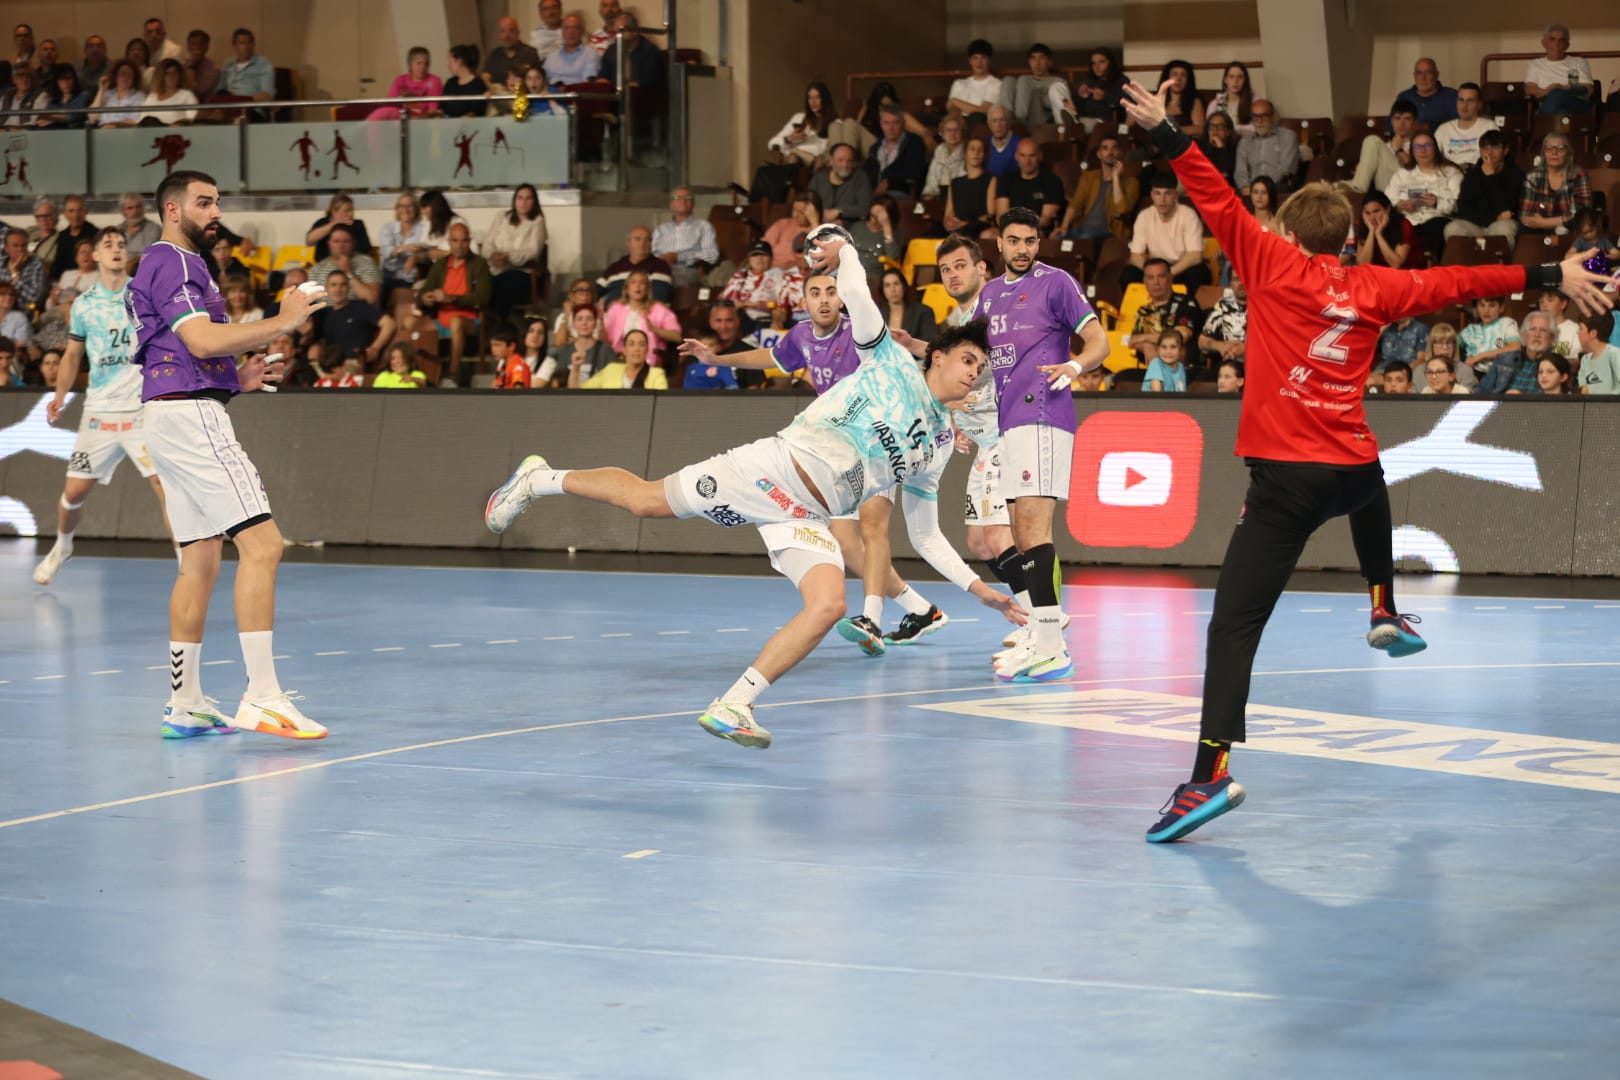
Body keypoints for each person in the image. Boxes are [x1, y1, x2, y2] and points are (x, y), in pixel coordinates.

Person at [1117, 78, 1613, 842]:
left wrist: (1164, 131)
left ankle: (1208, 775)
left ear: (1286, 229)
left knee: (1232, 629)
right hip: (1348, 468)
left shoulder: (1267, 264)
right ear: (1347, 239)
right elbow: (1461, 279)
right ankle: (1381, 603)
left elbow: (1212, 193)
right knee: (1370, 480)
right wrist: (1552, 275)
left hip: (1284, 481)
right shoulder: (1376, 286)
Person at [486, 227, 1022, 750]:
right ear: (939, 356)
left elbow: (925, 535)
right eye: (969, 361)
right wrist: (845, 251)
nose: (974, 375)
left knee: (829, 605)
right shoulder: (888, 362)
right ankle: (540, 478)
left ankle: (733, 704)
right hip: (770, 469)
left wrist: (981, 593)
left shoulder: (935, 447)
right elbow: (856, 291)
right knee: (646, 501)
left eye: (982, 369)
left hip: (807, 514)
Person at [127, 169, 330, 740]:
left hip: (169, 413)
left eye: (217, 202)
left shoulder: (172, 265)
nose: (215, 212)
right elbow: (199, 339)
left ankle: (184, 702)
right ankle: (264, 697)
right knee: (263, 544)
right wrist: (285, 320)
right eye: (204, 202)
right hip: (191, 419)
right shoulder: (177, 261)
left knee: (200, 561)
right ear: (172, 209)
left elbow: (181, 349)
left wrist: (232, 379)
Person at [680, 263, 950, 647]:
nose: (825, 299)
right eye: (816, 293)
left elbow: (913, 368)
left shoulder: (863, 332)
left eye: (831, 291)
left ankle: (871, 619)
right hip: (833, 452)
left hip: (879, 439)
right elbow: (771, 359)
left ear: (842, 297)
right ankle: (921, 609)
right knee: (847, 544)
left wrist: (943, 415)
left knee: (873, 530)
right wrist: (717, 360)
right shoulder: (802, 335)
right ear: (804, 301)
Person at [973, 207, 1109, 682]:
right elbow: (970, 355)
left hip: (1044, 417)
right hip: (1009, 425)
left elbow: (1099, 341)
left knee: (1035, 531)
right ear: (1000, 244)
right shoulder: (988, 296)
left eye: (1031, 240)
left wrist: (1075, 367)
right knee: (1019, 531)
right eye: (1014, 241)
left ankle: (1052, 645)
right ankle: (1040, 633)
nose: (1023, 249)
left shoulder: (1057, 283)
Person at [33, 229, 172, 586]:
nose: (115, 250)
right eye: (108, 245)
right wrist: (60, 396)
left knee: (165, 486)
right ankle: (63, 546)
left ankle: (188, 561)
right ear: (94, 255)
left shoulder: (143, 294)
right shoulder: (84, 305)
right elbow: (73, 355)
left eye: (121, 245)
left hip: (143, 408)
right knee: (74, 493)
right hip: (100, 412)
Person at [483, 183, 547, 318]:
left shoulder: (537, 222)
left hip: (523, 273)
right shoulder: (501, 217)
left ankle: (502, 327)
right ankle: (487, 327)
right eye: (520, 198)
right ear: (514, 200)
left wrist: (508, 255)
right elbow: (487, 244)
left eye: (528, 198)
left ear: (534, 202)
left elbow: (533, 251)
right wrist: (493, 255)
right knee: (484, 283)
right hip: (496, 269)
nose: (523, 202)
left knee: (503, 284)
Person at [1058, 135, 1136, 241]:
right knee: (1057, 238)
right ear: (1099, 154)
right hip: (1082, 229)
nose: (1110, 152)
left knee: (1084, 238)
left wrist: (1116, 178)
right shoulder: (1089, 177)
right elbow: (1075, 203)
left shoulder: (1131, 182)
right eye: (1105, 148)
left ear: (1120, 152)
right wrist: (1064, 227)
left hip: (1109, 233)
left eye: (1114, 148)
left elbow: (1122, 210)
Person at [572, 327, 668, 389]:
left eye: (642, 345)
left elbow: (663, 404)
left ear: (647, 350)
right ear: (624, 350)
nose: (637, 349)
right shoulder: (611, 369)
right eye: (631, 344)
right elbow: (578, 392)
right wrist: (576, 368)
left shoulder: (656, 374)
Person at [943, 136, 999, 237]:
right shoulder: (956, 183)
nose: (976, 153)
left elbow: (990, 214)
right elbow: (948, 214)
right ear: (965, 153)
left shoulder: (990, 179)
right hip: (958, 228)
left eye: (980, 150)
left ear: (985, 155)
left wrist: (966, 224)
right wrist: (950, 223)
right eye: (972, 149)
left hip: (978, 227)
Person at [369, 46, 442, 120]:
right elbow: (391, 104)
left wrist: (417, 117)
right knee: (384, 112)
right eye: (418, 63)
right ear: (410, 64)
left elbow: (433, 110)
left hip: (423, 120)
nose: (423, 67)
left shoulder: (434, 81)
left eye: (426, 64)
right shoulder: (400, 80)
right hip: (400, 118)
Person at [441, 44, 487, 118]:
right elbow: (443, 108)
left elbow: (475, 111)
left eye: (450, 62)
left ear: (459, 61)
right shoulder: (450, 83)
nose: (448, 66)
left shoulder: (478, 84)